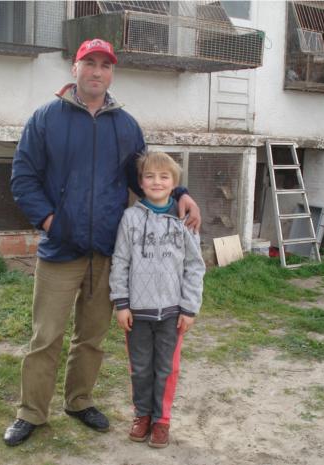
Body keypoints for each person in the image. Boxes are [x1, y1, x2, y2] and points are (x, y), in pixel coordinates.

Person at [4, 38, 201, 447]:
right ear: (74, 68)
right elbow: (23, 177)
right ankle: (31, 412)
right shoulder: (46, 119)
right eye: (89, 63)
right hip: (61, 251)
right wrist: (52, 222)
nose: (97, 71)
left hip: (108, 252)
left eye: (105, 65)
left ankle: (79, 401)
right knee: (46, 336)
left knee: (91, 338)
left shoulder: (125, 125)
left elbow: (145, 176)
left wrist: (180, 194)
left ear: (112, 73)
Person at [110, 151, 206, 448]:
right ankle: (142, 415)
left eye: (164, 177)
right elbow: (120, 262)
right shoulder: (130, 218)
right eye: (149, 176)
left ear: (174, 183)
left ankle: (162, 420)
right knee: (140, 368)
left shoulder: (184, 220)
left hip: (172, 313)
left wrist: (189, 308)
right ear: (140, 182)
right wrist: (121, 303)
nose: (156, 182)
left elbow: (194, 266)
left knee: (167, 368)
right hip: (138, 313)